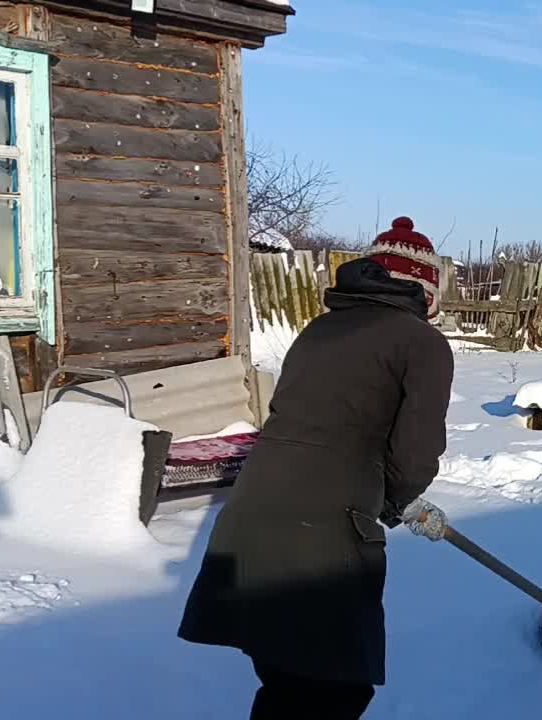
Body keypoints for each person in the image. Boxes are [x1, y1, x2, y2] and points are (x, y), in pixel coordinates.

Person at [177, 217, 455, 719]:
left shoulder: (321, 328)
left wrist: (390, 496)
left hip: (254, 515)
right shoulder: (421, 342)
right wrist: (395, 501)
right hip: (326, 530)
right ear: (425, 290)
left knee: (286, 681)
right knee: (334, 689)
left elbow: (314, 420)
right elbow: (416, 451)